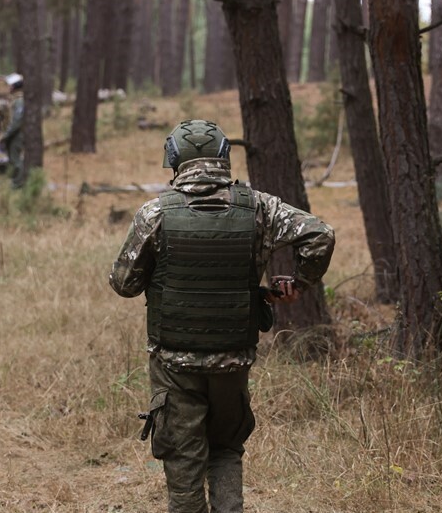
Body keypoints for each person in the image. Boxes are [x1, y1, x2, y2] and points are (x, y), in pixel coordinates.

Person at [109, 119, 335, 513]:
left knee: (183, 457)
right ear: (222, 159)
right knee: (227, 449)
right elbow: (320, 235)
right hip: (234, 357)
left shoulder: (155, 214)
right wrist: (299, 283)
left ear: (175, 160)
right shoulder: (260, 208)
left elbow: (124, 283)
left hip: (175, 362)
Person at [0, 72, 25, 187]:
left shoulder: (19, 100)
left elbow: (17, 120)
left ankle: (18, 183)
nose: (8, 87)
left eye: (10, 85)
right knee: (11, 159)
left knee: (16, 159)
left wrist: (7, 134)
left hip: (17, 134)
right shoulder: (14, 99)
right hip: (13, 133)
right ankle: (14, 180)